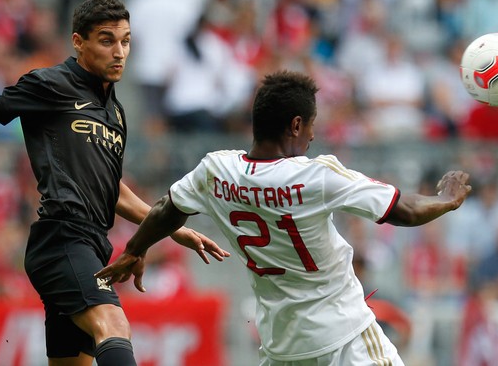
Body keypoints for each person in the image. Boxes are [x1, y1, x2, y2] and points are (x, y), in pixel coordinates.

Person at [96, 70, 472, 365]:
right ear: (295, 125)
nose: (311, 135)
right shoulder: (315, 176)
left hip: (282, 348)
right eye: (310, 125)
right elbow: (403, 210)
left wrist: (135, 248)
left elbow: (167, 209)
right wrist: (446, 200)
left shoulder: (216, 171)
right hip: (344, 339)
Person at [0, 0, 229, 366]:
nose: (119, 52)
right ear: (78, 42)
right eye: (106, 40)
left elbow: (112, 189)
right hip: (62, 239)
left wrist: (170, 227)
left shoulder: (115, 111)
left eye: (126, 41)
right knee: (114, 324)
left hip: (93, 246)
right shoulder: (50, 83)